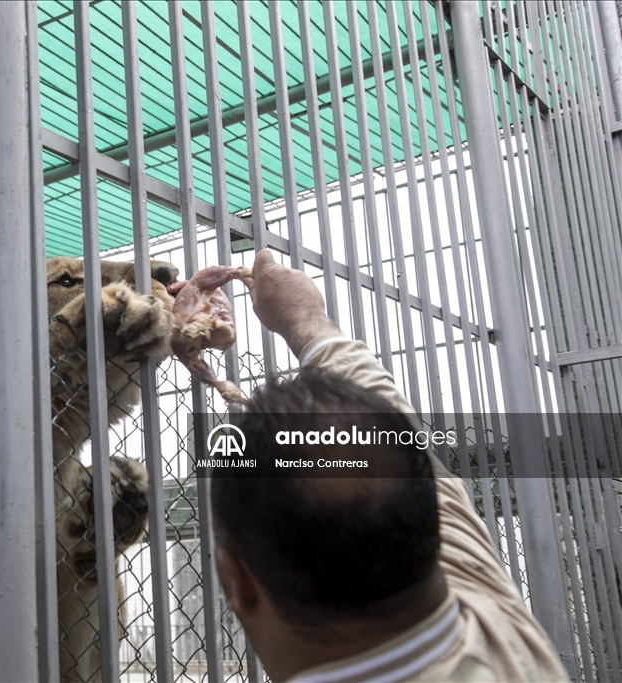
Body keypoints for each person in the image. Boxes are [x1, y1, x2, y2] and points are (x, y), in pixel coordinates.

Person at [211, 249, 569, 682]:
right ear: (431, 526)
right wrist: (308, 320)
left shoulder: (494, 607)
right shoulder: (504, 634)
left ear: (237, 581)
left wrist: (305, 320)